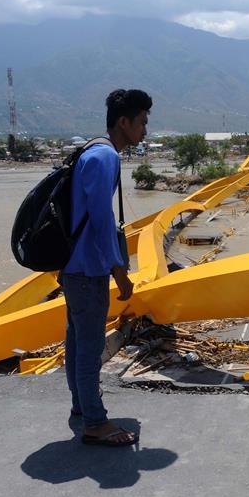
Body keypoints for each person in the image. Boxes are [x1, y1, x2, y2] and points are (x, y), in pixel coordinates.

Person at [60, 88, 151, 446]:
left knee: (76, 341)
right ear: (123, 122)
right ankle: (95, 422)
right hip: (87, 270)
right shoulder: (105, 157)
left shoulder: (92, 150)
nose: (145, 130)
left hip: (73, 265)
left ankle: (82, 408)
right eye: (141, 122)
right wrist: (119, 270)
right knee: (89, 347)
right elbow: (100, 219)